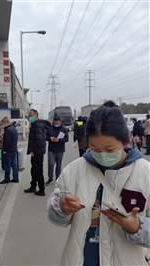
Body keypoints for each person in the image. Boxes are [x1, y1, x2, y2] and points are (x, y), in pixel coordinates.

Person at [47, 100, 150, 266]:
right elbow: (54, 214)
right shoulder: (74, 171)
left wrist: (138, 227)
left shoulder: (145, 173)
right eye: (95, 148)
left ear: (125, 141)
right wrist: (61, 206)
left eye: (109, 149)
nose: (102, 154)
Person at [24, 109, 50, 196]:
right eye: (29, 116)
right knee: (33, 170)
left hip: (38, 152)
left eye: (31, 116)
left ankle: (41, 189)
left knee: (38, 170)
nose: (29, 117)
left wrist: (33, 151)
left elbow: (39, 140)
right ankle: (33, 186)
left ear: (36, 115)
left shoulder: (38, 126)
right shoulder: (34, 125)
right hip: (36, 151)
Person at [45, 115, 68, 186]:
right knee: (51, 164)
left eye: (57, 123)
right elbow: (45, 136)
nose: (56, 125)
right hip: (51, 149)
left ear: (60, 122)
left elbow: (66, 139)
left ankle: (58, 178)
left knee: (59, 164)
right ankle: (50, 178)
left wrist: (59, 140)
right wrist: (50, 138)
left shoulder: (64, 129)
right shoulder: (49, 128)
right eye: (55, 123)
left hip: (60, 149)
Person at [0, 117, 19, 184]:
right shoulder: (13, 128)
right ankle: (16, 178)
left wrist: (5, 149)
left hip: (9, 150)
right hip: (13, 149)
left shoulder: (8, 130)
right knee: (14, 164)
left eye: (2, 124)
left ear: (5, 123)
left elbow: (7, 141)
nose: (2, 125)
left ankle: (7, 178)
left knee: (7, 165)